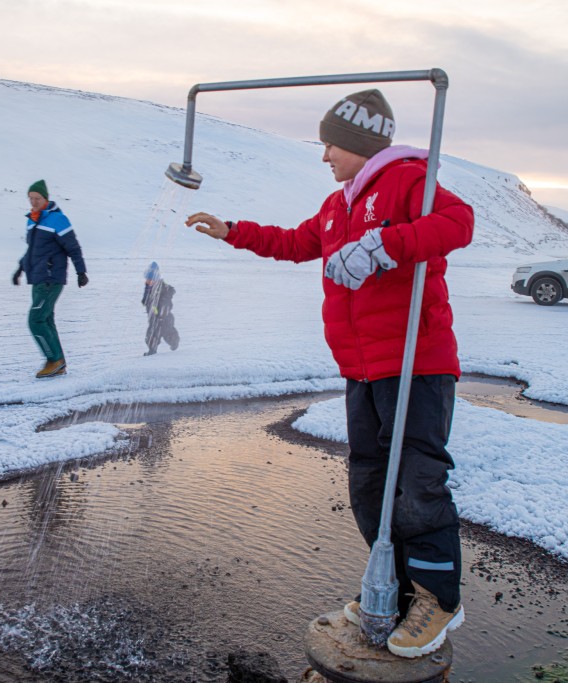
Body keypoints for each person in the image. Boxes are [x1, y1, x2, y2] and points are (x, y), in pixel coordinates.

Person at [186, 89, 473, 659]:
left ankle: (438, 598)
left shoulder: (408, 180)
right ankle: (388, 591)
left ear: (360, 143)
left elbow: (458, 222)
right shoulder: (337, 204)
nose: (324, 157)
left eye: (330, 145)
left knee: (415, 480)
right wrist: (232, 230)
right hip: (362, 368)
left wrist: (385, 246)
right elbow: (297, 244)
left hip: (415, 363)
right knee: (368, 481)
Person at [12, 179, 88, 378]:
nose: (33, 202)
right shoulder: (33, 220)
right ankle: (57, 362)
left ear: (46, 198)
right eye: (30, 198)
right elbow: (32, 250)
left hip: (51, 278)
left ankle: (54, 360)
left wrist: (81, 271)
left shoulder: (58, 220)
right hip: (37, 277)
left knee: (35, 319)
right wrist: (20, 268)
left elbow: (73, 247)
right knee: (45, 318)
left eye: (37, 198)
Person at [141, 261, 180, 356]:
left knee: (168, 334)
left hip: (164, 318)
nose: (148, 281)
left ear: (155, 279)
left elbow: (167, 303)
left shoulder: (163, 289)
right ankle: (152, 351)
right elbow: (145, 301)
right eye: (147, 279)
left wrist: (162, 314)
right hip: (154, 318)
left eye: (150, 280)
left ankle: (175, 343)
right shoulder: (149, 288)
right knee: (151, 335)